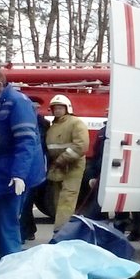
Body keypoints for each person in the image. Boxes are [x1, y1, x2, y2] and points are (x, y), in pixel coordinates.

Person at [0, 68, 45, 272]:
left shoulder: (17, 102)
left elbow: (26, 141)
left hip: (13, 173)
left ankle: (12, 274)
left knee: (7, 224)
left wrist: (19, 174)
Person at [44, 94, 89, 230]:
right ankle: (62, 229)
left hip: (72, 166)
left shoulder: (75, 123)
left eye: (60, 108)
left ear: (67, 108)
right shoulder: (53, 126)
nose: (57, 110)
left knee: (67, 199)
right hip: (57, 167)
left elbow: (81, 145)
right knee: (57, 200)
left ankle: (61, 231)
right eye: (55, 108)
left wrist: (62, 159)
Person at [19, 95, 49, 242]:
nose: (35, 110)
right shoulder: (38, 124)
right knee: (25, 203)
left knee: (26, 203)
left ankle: (25, 232)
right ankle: (27, 230)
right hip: (31, 167)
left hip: (34, 167)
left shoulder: (43, 124)